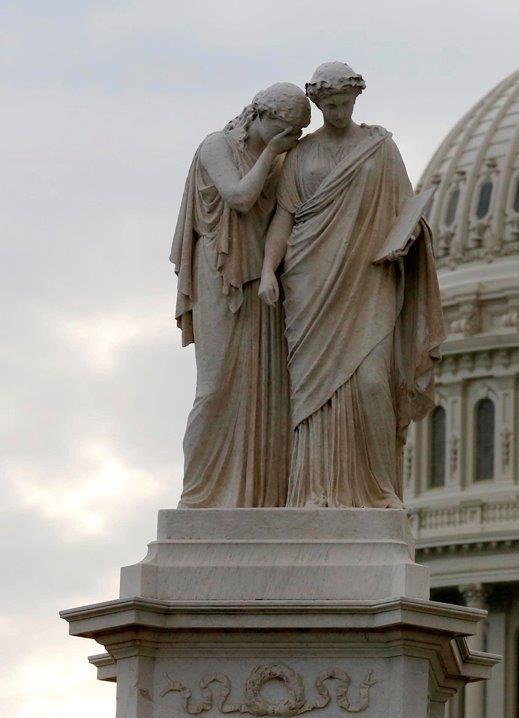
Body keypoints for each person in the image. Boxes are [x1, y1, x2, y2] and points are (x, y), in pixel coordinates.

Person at [259, 62, 444, 508]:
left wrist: (407, 240)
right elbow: (284, 218)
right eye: (329, 105)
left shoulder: (380, 148)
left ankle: (380, 489)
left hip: (369, 277)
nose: (338, 111)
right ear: (318, 105)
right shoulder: (301, 155)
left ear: (356, 99)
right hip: (310, 282)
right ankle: (314, 491)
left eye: (344, 103)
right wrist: (268, 270)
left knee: (372, 384)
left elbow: (406, 211)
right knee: (312, 394)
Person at [171, 82, 310, 508]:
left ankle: (256, 497)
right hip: (220, 271)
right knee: (215, 387)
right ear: (262, 117)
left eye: (298, 135)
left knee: (262, 391)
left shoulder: (283, 158)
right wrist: (273, 154)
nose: (292, 141)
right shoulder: (217, 145)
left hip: (263, 281)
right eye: (287, 130)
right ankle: (199, 495)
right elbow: (239, 197)